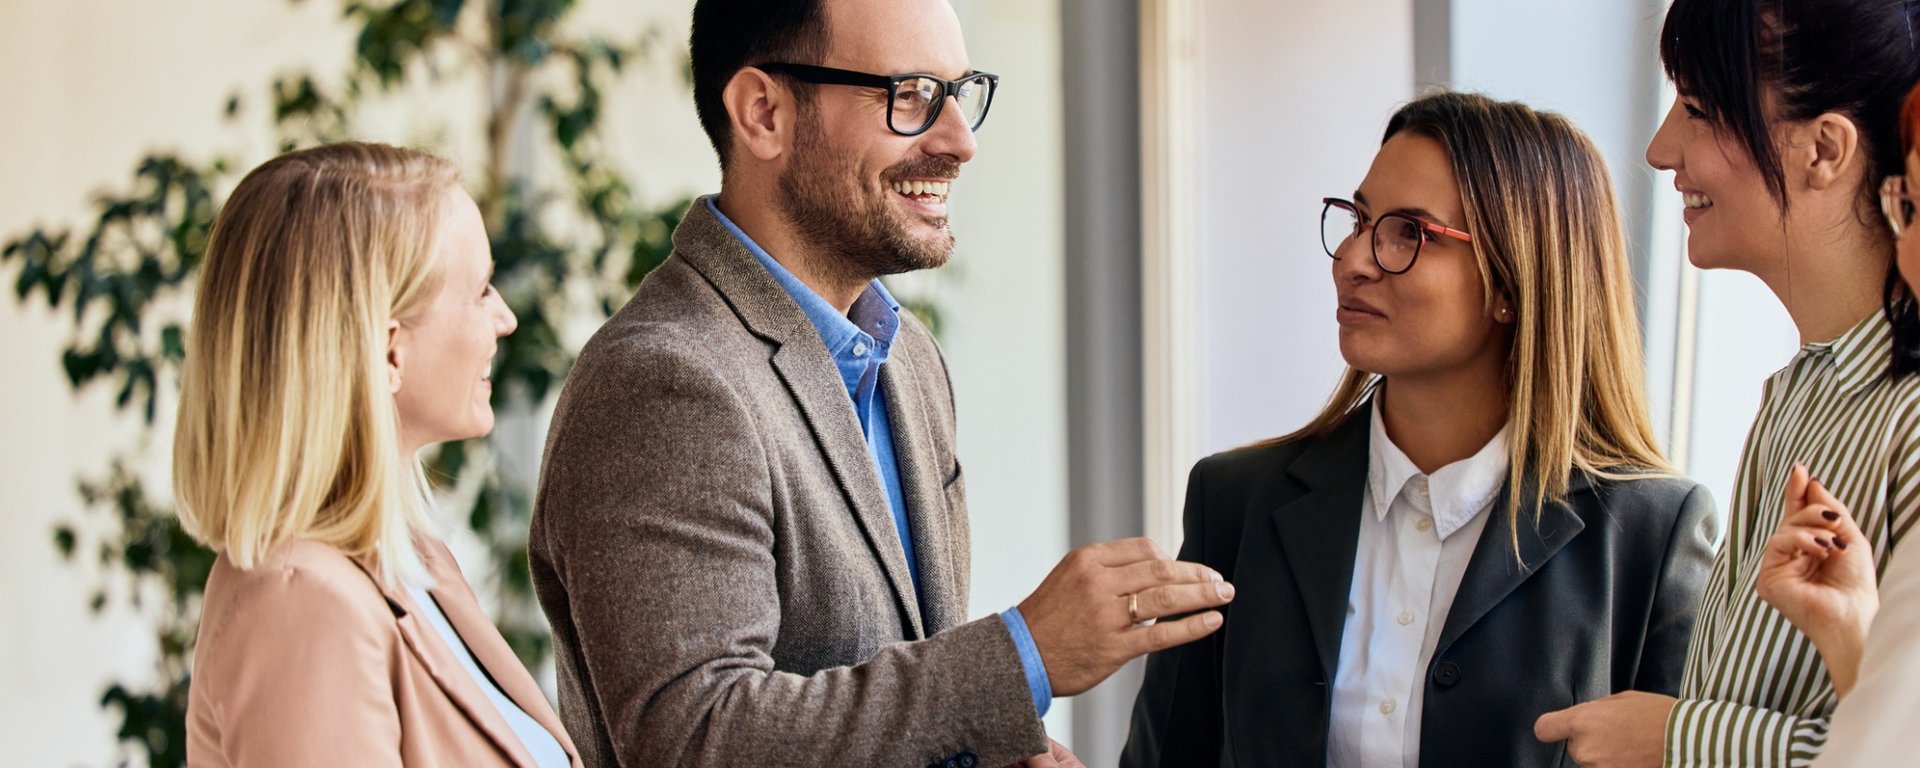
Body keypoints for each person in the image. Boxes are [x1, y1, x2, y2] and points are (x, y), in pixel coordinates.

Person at [526, 0, 1233, 766]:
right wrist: (1023, 653)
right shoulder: (664, 380)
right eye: (912, 95)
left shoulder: (909, 356)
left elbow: (890, 686)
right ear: (764, 112)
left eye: (961, 93)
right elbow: (699, 737)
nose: (960, 140)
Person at [1120, 91, 1717, 768]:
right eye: (1360, 219)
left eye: (1410, 232)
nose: (1354, 259)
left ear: (1512, 284)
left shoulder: (1652, 535)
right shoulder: (1234, 501)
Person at [1534, 1, 1920, 765]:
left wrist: (1679, 737)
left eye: (1701, 110)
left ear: (1825, 149)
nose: (1659, 147)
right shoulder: (1799, 395)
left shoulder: (1907, 420)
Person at [176, 142, 578, 767]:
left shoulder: (412, 564)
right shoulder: (303, 604)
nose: (505, 318)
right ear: (389, 351)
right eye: (479, 291)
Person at [1749, 79, 1920, 767]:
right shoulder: (1790, 391)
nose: (1902, 252)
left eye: (1914, 208)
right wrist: (1853, 640)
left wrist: (1678, 733)